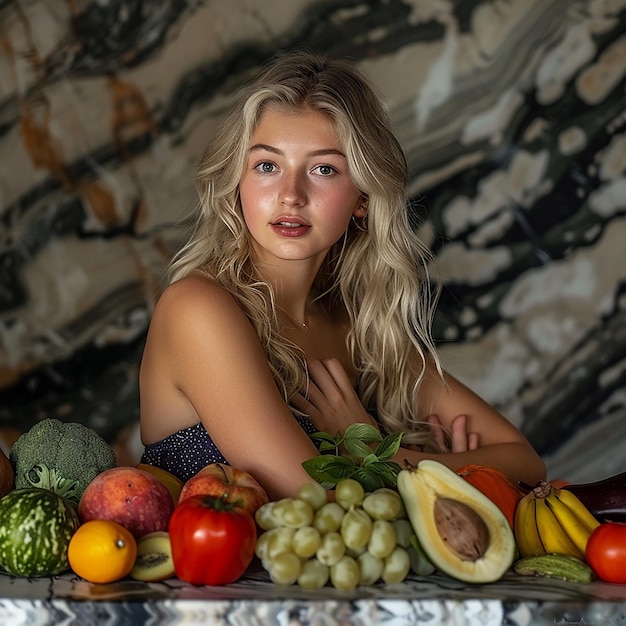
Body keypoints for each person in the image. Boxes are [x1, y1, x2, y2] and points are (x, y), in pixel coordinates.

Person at [138, 50, 546, 500]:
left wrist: (385, 456)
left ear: (363, 199)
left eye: (324, 169)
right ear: (237, 182)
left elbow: (525, 463)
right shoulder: (197, 309)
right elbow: (315, 499)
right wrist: (428, 467)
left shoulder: (358, 326)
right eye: (267, 166)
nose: (291, 195)